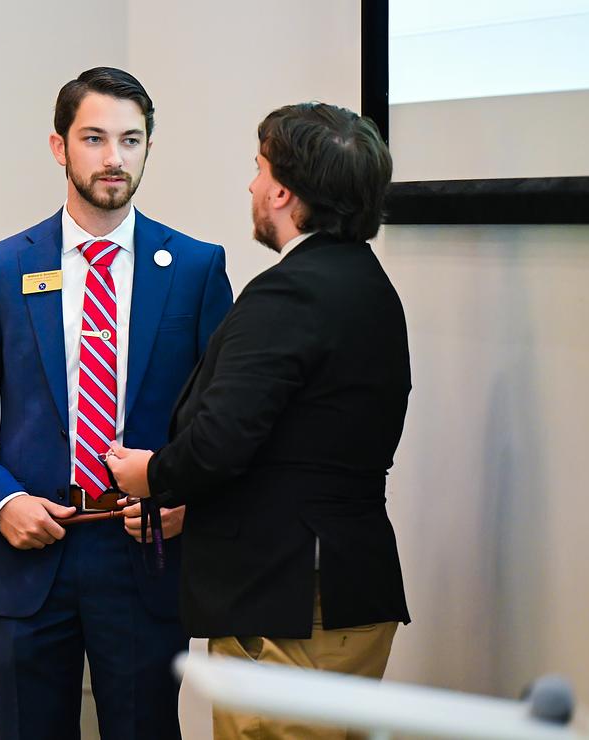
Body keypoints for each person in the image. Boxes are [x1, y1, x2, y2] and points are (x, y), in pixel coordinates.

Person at [0, 67, 232, 740]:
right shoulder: (4, 267)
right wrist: (4, 502)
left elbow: (225, 418)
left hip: (144, 551)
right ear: (59, 147)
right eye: (94, 138)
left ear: (149, 147)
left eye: (131, 139)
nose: (114, 158)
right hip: (31, 549)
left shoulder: (195, 268)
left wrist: (192, 499)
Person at [107, 102, 412, 740]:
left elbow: (220, 442)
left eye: (257, 170)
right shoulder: (372, 287)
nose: (250, 186)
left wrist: (152, 475)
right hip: (354, 588)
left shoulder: (288, 293)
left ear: (281, 190)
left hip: (286, 601)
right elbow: (302, 448)